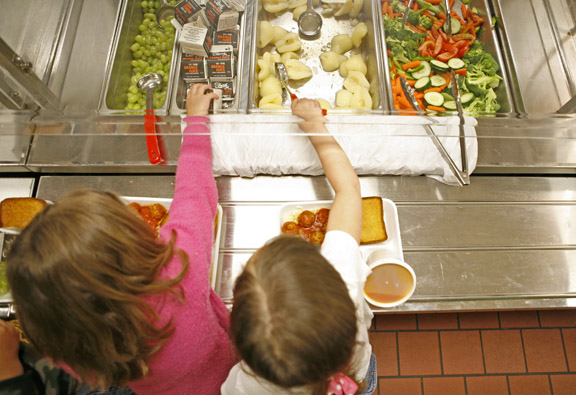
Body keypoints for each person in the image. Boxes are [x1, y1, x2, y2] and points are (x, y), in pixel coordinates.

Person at [1, 84, 235, 394]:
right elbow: (195, 190)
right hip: (230, 366)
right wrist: (195, 120)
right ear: (133, 235)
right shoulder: (181, 267)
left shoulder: (73, 347)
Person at [221, 98, 377, 395]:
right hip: (357, 375)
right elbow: (348, 188)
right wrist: (315, 126)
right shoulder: (344, 281)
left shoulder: (246, 384)